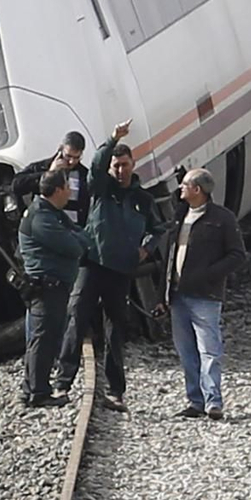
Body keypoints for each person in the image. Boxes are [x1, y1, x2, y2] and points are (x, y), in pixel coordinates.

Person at [51, 120, 161, 411]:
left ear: (133, 165)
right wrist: (113, 138)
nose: (120, 171)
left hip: (120, 270)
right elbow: (97, 165)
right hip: (91, 263)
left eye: (124, 165)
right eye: (116, 166)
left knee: (116, 330)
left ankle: (115, 391)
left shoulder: (142, 199)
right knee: (77, 318)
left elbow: (161, 228)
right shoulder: (100, 188)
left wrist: (146, 248)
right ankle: (62, 383)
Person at [163, 166, 249, 420]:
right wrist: (162, 294)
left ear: (197, 190)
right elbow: (170, 257)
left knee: (209, 349)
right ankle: (195, 401)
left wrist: (210, 274)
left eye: (185, 184)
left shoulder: (222, 219)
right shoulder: (181, 216)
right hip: (178, 294)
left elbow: (237, 255)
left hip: (205, 296)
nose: (181, 188)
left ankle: (213, 401)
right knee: (186, 351)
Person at [17, 168, 94, 411]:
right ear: (58, 190)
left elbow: (82, 237)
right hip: (46, 287)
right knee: (43, 339)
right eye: (67, 187)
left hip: (55, 287)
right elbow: (75, 247)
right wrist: (77, 239)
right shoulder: (42, 217)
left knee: (45, 338)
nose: (70, 192)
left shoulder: (53, 213)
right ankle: (37, 392)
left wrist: (77, 238)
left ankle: (32, 388)